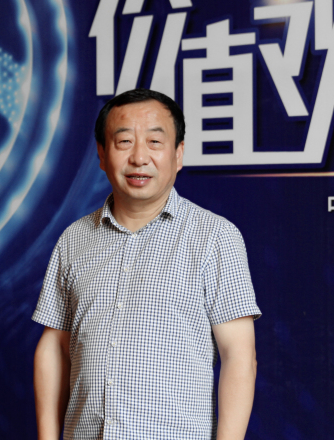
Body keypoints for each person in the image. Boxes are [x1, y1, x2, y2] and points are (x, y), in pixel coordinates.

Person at [32, 89, 260, 440]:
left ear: (178, 154)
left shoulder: (215, 237)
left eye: (155, 142)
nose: (139, 157)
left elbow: (239, 356)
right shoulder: (73, 239)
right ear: (102, 154)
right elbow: (54, 347)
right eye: (124, 141)